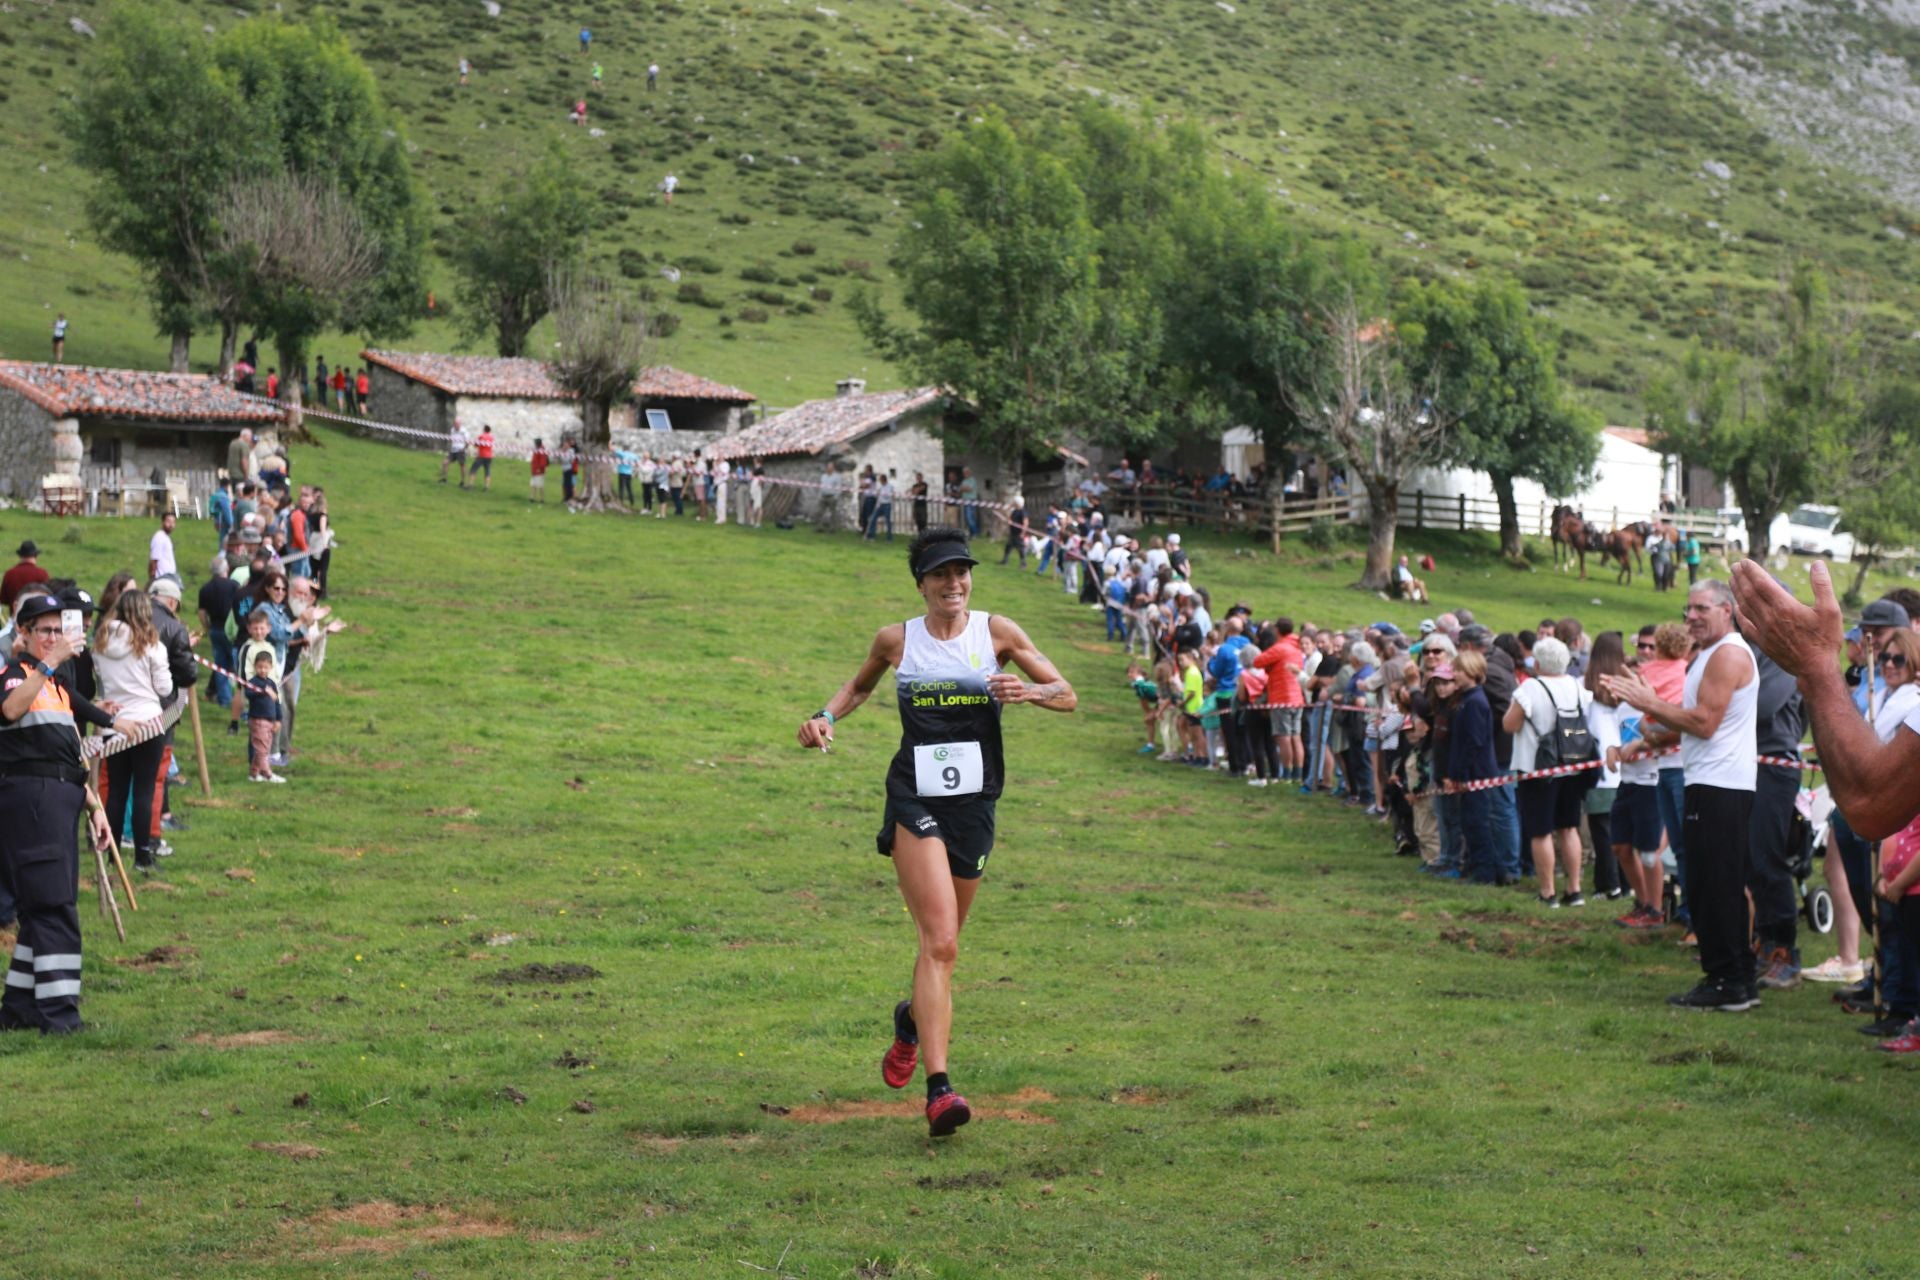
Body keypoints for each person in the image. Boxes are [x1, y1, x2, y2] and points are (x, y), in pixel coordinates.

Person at [795, 527, 1075, 1137]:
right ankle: (940, 1090)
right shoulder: (897, 640)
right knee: (941, 942)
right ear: (921, 584)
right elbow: (859, 686)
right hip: (914, 796)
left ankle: (908, 1023)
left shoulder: (997, 633)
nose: (955, 584)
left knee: (941, 952)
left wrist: (1027, 692)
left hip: (975, 803)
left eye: (962, 573)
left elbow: (1067, 692)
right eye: (941, 575)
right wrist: (822, 717)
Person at [1607, 580, 1760, 1012]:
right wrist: (1649, 739)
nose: (1691, 615)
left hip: (1721, 785)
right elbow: (1698, 723)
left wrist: (1648, 702)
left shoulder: (1728, 653)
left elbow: (1706, 722)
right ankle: (1739, 979)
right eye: (1687, 608)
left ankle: (1726, 980)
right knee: (1713, 882)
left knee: (1714, 885)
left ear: (1727, 610)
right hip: (1712, 781)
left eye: (1701, 608)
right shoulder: (1709, 655)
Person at [0, 594, 126, 1033]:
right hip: (31, 801)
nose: (54, 637)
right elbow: (11, 711)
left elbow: (67, 755)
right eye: (44, 630)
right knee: (55, 907)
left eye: (58, 629)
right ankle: (61, 1018)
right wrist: (49, 664)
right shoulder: (16, 676)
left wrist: (95, 807)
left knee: (41, 910)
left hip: (60, 797)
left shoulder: (53, 686)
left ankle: (18, 1011)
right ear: (26, 635)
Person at [1732, 562, 1920, 841]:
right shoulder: (1873, 685)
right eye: (1867, 633)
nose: (1887, 659)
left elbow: (1872, 804)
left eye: (1896, 655)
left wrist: (1815, 665)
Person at [1502, 635, 1593, 907]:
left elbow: (1509, 724)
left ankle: (1548, 891)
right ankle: (1574, 889)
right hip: (1572, 764)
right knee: (1569, 827)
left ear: (1538, 662)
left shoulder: (1530, 688)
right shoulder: (1577, 686)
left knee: (1540, 831)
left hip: (1537, 768)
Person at [91, 589, 173, 875]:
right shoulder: (152, 645)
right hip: (147, 722)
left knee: (116, 790)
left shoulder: (100, 643)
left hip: (114, 722)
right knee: (143, 790)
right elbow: (164, 688)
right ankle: (142, 856)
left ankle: (113, 856)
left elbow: (99, 682)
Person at [244, 649, 285, 783]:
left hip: (270, 721)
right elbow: (248, 694)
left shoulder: (272, 683)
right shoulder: (254, 682)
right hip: (257, 720)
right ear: (255, 666)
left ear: (270, 667)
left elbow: (277, 701)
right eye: (259, 667)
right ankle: (268, 774)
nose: (262, 670)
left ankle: (254, 773)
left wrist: (278, 719)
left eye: (265, 667)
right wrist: (263, 692)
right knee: (261, 749)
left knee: (264, 748)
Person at [2, 541, 50, 614]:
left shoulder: (9, 574)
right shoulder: (42, 574)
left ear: (20, 556)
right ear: (35, 555)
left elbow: (4, 600)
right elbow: (48, 598)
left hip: (15, 617)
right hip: (36, 616)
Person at [148, 512, 177, 583]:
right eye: (168, 521)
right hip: (162, 579)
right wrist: (152, 579)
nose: (171, 525)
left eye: (173, 522)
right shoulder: (159, 537)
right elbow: (154, 560)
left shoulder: (166, 537)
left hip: (169, 577)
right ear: (162, 522)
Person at [442, 422, 469, 487]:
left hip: (461, 451)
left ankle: (462, 482)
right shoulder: (452, 430)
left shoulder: (464, 431)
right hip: (453, 450)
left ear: (460, 424)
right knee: (445, 463)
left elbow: (467, 442)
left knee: (462, 466)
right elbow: (451, 439)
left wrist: (463, 449)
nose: (456, 426)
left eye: (457, 424)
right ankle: (444, 479)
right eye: (455, 424)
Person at [529, 438, 549, 504]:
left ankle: (542, 498)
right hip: (534, 470)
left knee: (540, 485)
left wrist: (540, 469)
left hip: (539, 470)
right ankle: (532, 497)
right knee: (533, 484)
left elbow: (543, 461)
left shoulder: (542, 451)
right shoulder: (537, 450)